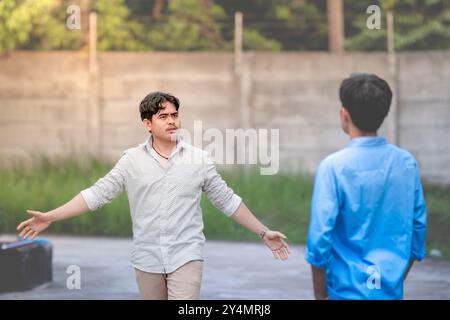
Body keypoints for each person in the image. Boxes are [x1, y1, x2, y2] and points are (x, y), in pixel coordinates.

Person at [17, 91, 290, 300]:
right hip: (146, 258)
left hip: (187, 255)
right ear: (147, 123)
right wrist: (50, 216)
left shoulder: (199, 159)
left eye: (174, 115)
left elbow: (227, 201)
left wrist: (263, 232)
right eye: (163, 116)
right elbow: (96, 194)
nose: (172, 121)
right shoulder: (131, 161)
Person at [305, 73, 427, 300]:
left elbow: (319, 239)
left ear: (344, 114)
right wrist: (390, 281)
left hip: (343, 293)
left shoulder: (332, 167)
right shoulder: (407, 164)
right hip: (390, 292)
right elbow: (418, 230)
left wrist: (320, 296)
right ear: (384, 113)